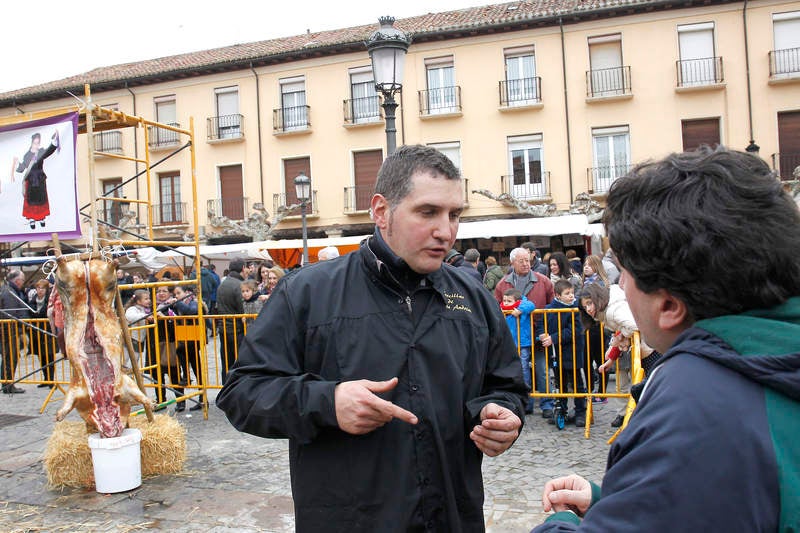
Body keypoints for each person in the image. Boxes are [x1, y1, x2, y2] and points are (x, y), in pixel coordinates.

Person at [217, 144, 527, 532]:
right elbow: (242, 393)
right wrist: (328, 402)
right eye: (428, 212)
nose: (445, 231)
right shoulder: (308, 293)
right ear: (381, 211)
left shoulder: (473, 296)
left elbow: (507, 386)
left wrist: (503, 414)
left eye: (454, 215)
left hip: (453, 518)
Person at [534, 147, 800, 532]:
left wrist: (560, 521)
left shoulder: (696, 409)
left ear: (670, 305)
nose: (620, 285)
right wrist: (617, 500)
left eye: (624, 271)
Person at [578, 282, 655, 427]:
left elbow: (634, 325)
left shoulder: (613, 311)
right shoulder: (610, 309)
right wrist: (619, 341)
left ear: (597, 298)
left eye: (589, 303)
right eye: (585, 306)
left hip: (651, 348)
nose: (588, 309)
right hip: (647, 347)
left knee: (651, 387)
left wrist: (621, 337)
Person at [494, 247, 555, 417]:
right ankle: (525, 403)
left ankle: (547, 404)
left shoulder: (543, 281)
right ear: (512, 263)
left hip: (539, 332)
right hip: (515, 336)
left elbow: (552, 305)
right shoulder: (503, 284)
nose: (526, 264)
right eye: (521, 261)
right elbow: (496, 307)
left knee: (542, 370)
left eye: (527, 260)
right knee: (521, 371)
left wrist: (548, 329)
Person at [544, 280, 586, 427]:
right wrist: (542, 335)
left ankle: (581, 412)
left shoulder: (576, 309)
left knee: (577, 384)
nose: (571, 296)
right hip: (556, 353)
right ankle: (561, 410)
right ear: (557, 295)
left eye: (572, 293)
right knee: (559, 383)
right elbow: (542, 324)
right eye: (567, 293)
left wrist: (554, 338)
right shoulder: (549, 309)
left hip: (572, 351)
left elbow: (574, 330)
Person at [11, 131, 59, 229]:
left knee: (41, 198)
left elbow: (49, 151)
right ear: (32, 142)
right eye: (35, 143)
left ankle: (41, 218)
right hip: (30, 180)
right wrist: (17, 163)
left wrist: (54, 141)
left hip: (40, 179)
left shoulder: (41, 152)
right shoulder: (27, 155)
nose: (36, 145)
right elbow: (22, 168)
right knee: (31, 200)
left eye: (38, 143)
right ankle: (31, 219)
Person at [172, 285, 207, 412]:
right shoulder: (181, 304)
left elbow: (191, 311)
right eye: (175, 294)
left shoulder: (194, 302)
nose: (176, 296)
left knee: (181, 351)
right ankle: (203, 399)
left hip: (194, 337)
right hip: (186, 336)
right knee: (196, 366)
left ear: (187, 292)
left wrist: (177, 303)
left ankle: (186, 376)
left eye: (178, 293)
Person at [501, 288, 536, 414]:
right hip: (508, 344)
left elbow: (531, 304)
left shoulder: (522, 306)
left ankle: (527, 403)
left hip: (522, 344)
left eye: (509, 301)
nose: (505, 303)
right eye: (504, 300)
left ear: (517, 301)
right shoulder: (502, 310)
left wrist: (520, 309)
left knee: (524, 371)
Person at [216, 258, 245, 383]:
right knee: (240, 362)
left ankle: (225, 386)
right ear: (243, 268)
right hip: (236, 329)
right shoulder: (239, 285)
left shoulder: (223, 284)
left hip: (224, 328)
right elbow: (242, 308)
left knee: (226, 362)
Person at [1, 270, 30, 393]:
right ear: (17, 281)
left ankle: (7, 383)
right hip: (10, 331)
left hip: (10, 330)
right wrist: (19, 329)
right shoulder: (9, 293)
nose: (23, 282)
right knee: (10, 357)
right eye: (22, 280)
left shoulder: (9, 290)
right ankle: (7, 384)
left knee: (10, 357)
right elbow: (10, 314)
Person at [30, 279, 55, 386]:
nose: (40, 290)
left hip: (47, 330)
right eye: (38, 288)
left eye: (42, 288)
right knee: (41, 356)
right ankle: (45, 378)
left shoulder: (49, 300)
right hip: (37, 332)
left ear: (46, 290)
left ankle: (51, 379)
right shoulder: (32, 301)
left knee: (49, 356)